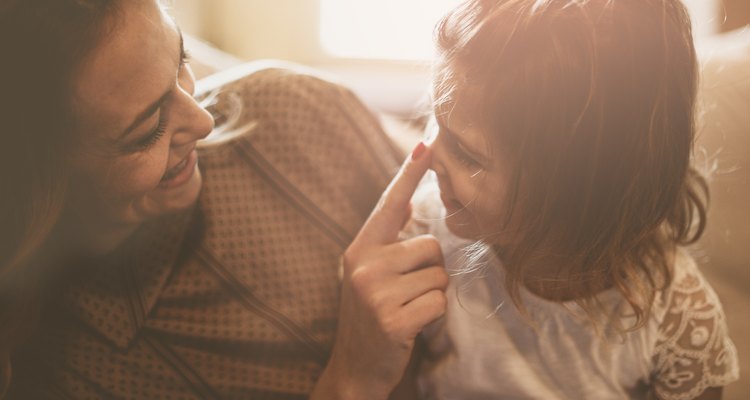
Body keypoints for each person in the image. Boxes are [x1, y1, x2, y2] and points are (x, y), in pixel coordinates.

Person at [0, 0, 448, 398]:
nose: (203, 121)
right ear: (41, 183)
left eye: (181, 62)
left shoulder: (290, 109)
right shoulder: (61, 375)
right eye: (147, 131)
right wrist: (353, 382)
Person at [405, 0, 741, 398]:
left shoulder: (677, 320)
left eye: (466, 153)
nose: (429, 158)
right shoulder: (423, 239)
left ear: (579, 193)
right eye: (435, 121)